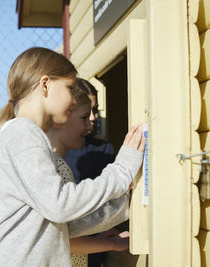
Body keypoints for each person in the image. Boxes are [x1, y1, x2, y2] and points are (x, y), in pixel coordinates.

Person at [0, 47, 145, 266]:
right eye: (69, 88)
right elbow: (61, 205)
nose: (74, 100)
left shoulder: (22, 134)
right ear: (45, 85)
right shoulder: (23, 133)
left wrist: (124, 206)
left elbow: (60, 224)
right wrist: (120, 172)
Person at [46, 87, 131, 267]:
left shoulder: (56, 162)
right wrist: (111, 243)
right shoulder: (53, 166)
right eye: (84, 117)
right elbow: (60, 238)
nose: (92, 120)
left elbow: (67, 232)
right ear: (61, 119)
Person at [65, 78, 119, 267]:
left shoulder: (104, 150)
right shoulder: (57, 154)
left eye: (96, 110)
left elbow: (111, 203)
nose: (94, 117)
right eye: (87, 112)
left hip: (97, 247)